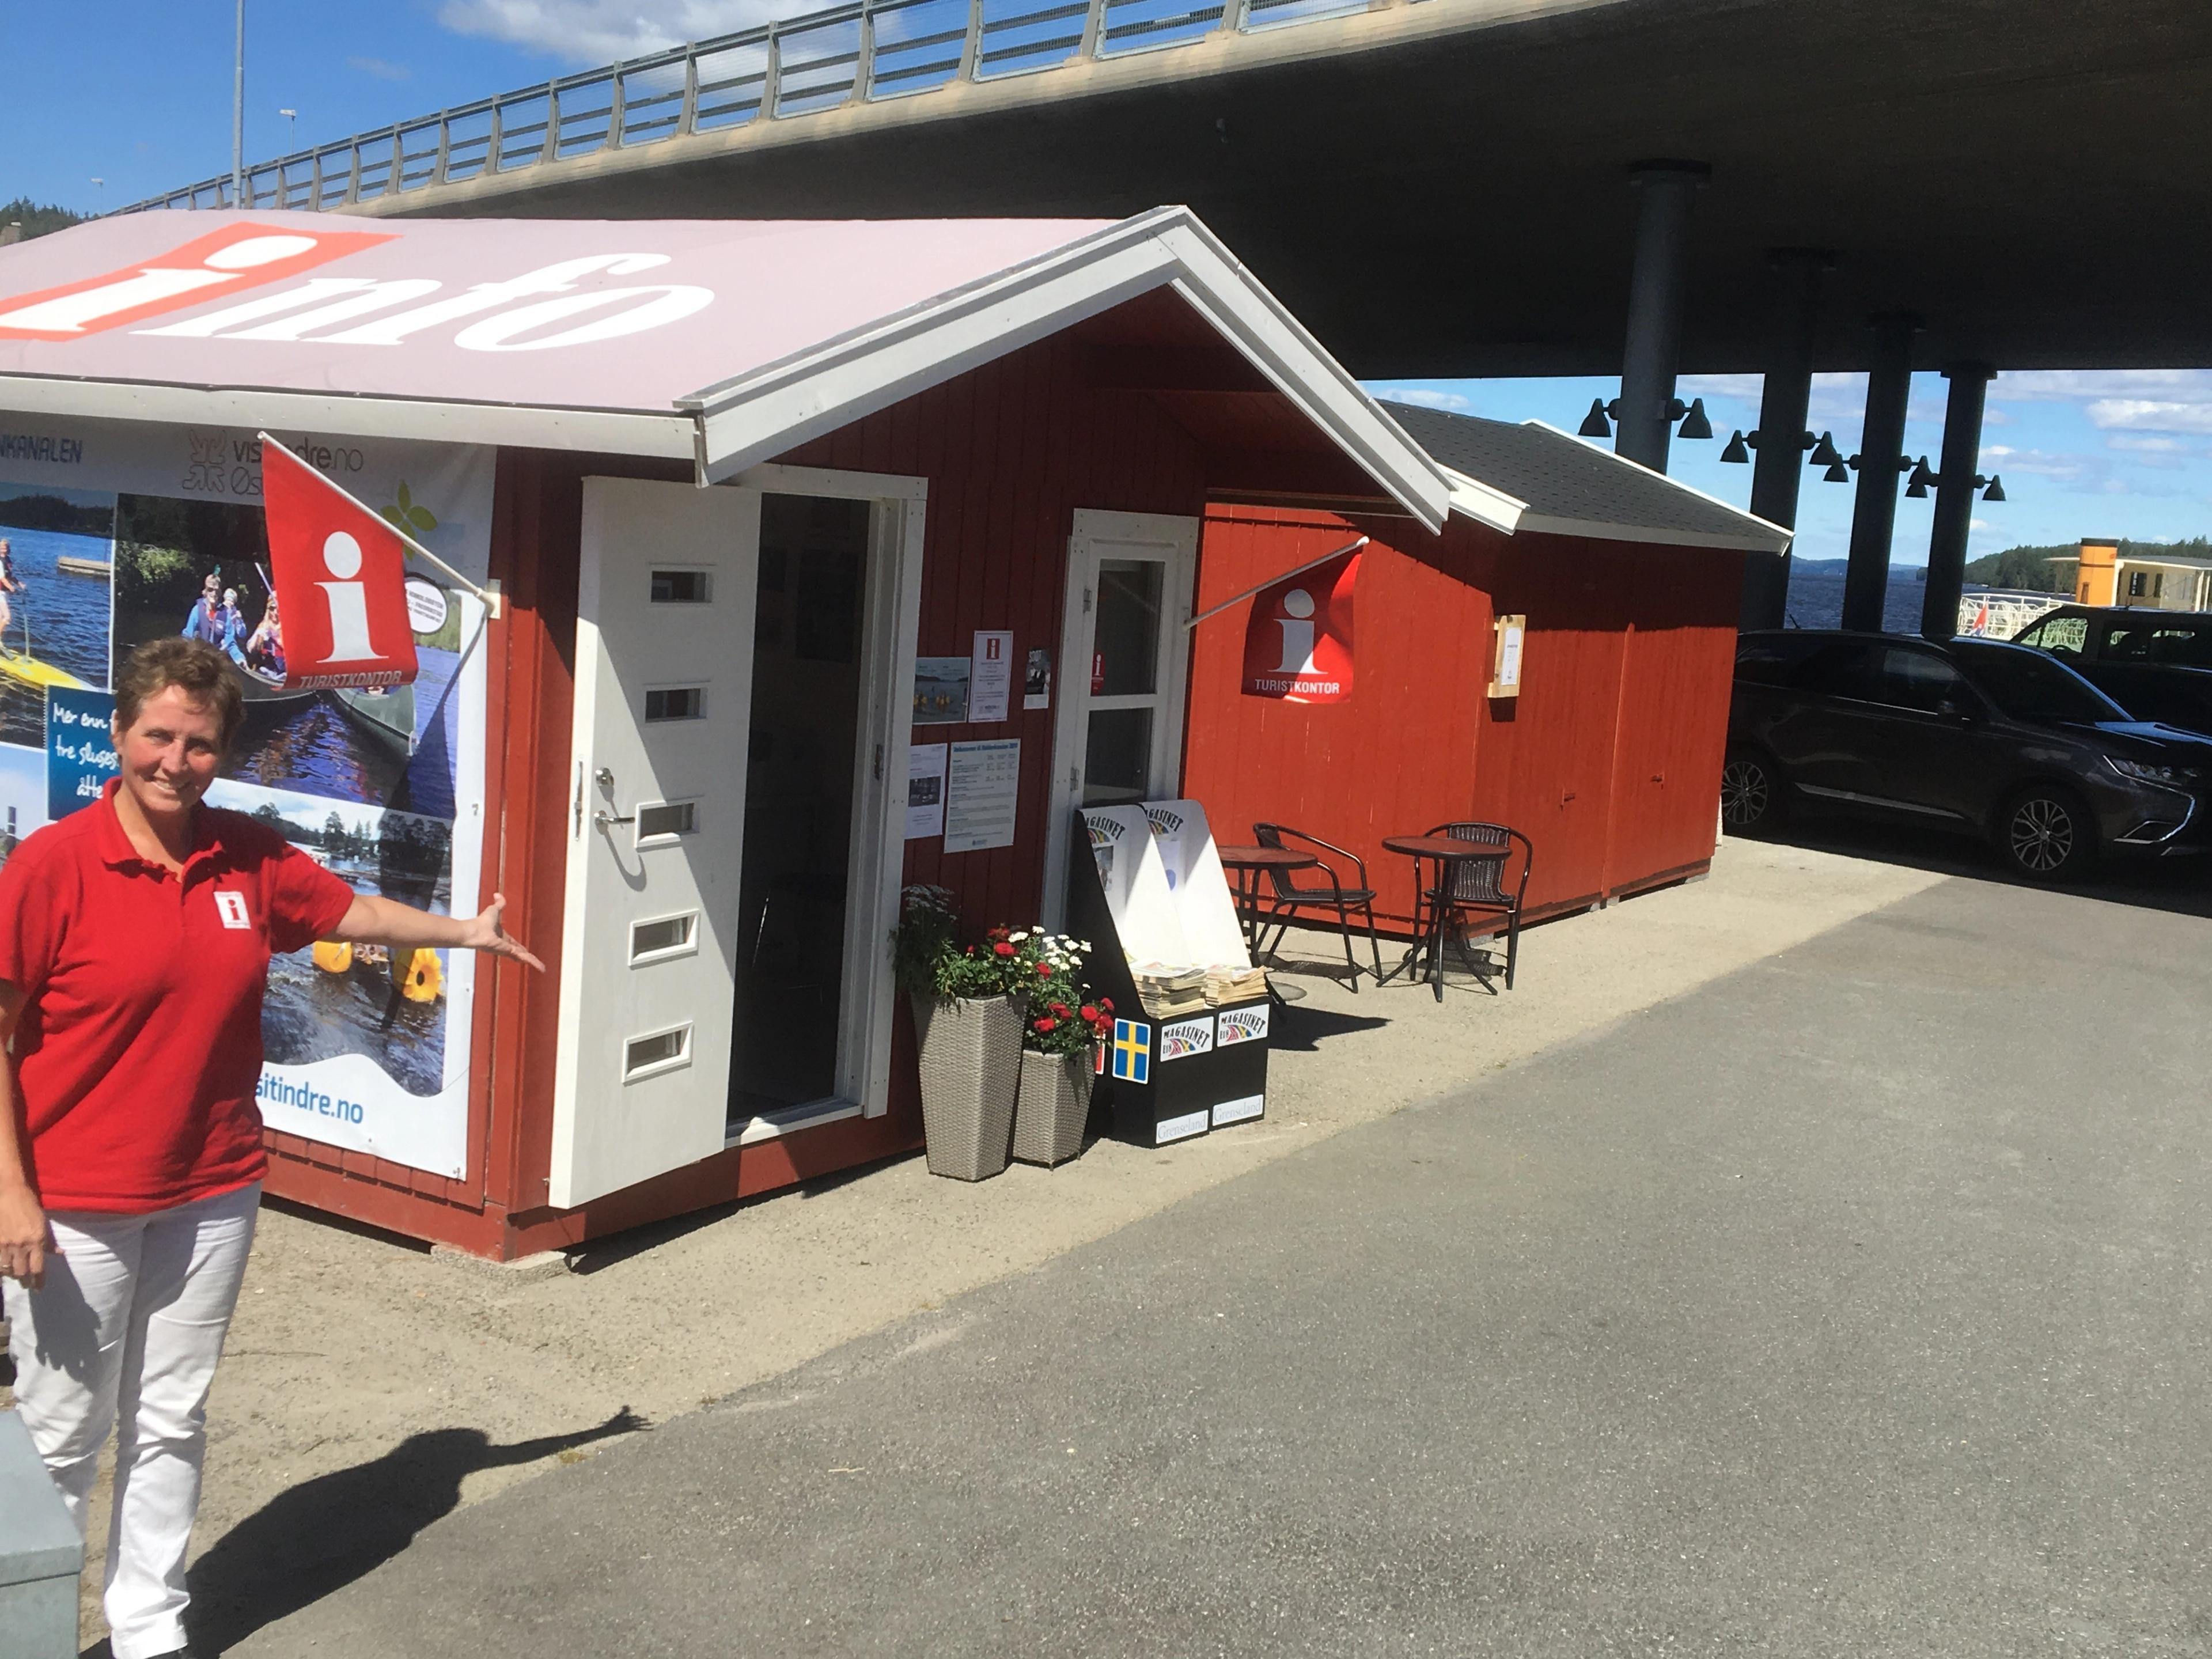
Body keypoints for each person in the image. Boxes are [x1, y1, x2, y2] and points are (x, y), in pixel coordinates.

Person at [0, 638, 542, 1659]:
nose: (175, 760)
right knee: (61, 1434)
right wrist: (9, 1193)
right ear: (120, 735)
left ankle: (149, 1626)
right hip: (77, 1199)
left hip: (212, 1188)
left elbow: (348, 910)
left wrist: (466, 933)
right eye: (157, 736)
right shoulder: (52, 867)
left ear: (224, 752)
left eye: (199, 744)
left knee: (173, 1416)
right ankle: (23, 1632)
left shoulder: (245, 854)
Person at [245, 592, 285, 681]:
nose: (275, 613)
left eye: (278, 609)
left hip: (288, 670)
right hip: (273, 669)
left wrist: (276, 636)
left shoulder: (288, 625)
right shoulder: (264, 625)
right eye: (272, 608)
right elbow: (250, 648)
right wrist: (259, 637)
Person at [179, 572, 223, 646]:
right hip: (201, 652)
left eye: (217, 590)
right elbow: (188, 635)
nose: (214, 594)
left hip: (218, 653)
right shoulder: (197, 610)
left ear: (220, 592)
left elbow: (230, 640)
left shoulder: (224, 612)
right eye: (210, 590)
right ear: (205, 592)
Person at [0, 535, 23, 643]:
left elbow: (10, 576)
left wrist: (19, 584)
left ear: (8, 549)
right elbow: (2, 578)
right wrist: (11, 588)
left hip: (5, 593)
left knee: (1, 618)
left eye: (5, 547)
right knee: (7, 618)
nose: (3, 549)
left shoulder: (8, 561)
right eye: (1, 547)